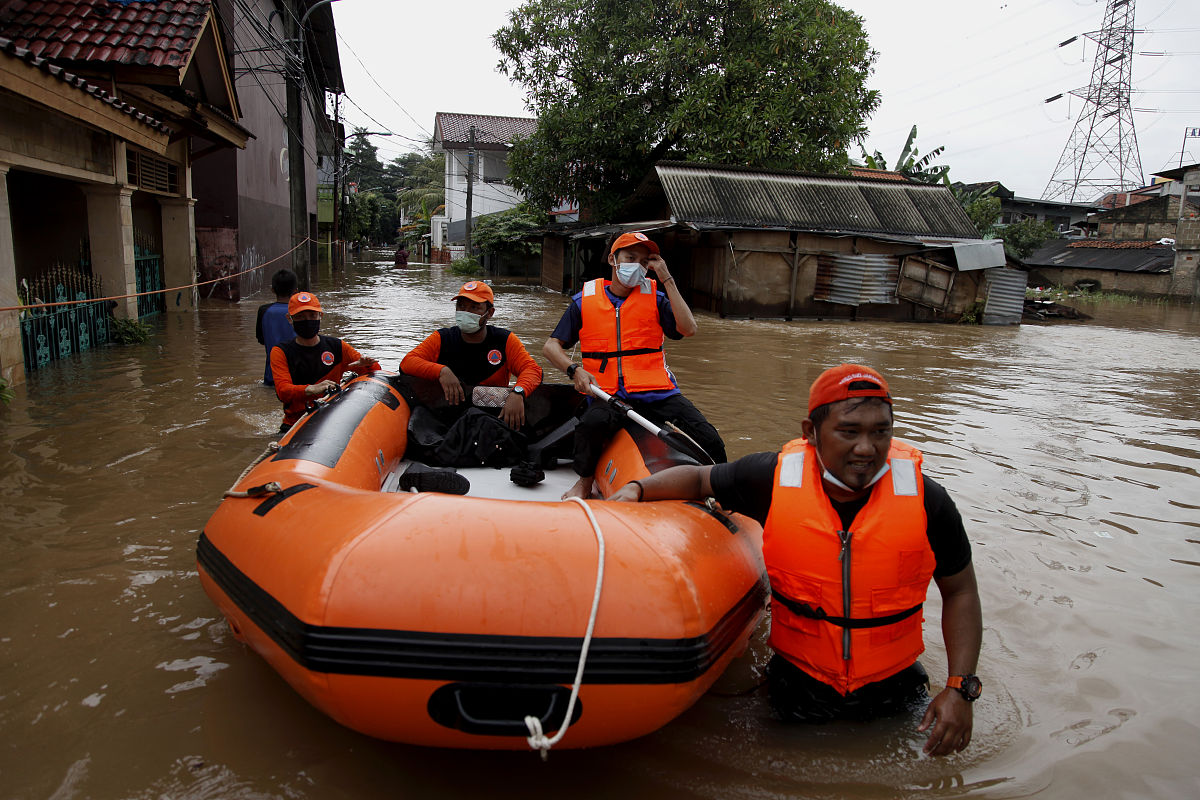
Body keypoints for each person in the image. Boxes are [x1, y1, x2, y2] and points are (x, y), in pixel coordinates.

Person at [610, 364, 983, 757]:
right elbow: (699, 479)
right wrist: (635, 489)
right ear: (810, 433)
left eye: (880, 432)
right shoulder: (770, 478)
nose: (867, 448)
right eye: (849, 431)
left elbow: (961, 592)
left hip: (894, 689)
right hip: (799, 685)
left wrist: (961, 688)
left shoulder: (928, 499)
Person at [543, 231, 726, 499]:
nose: (637, 265)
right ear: (612, 260)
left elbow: (689, 328)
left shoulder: (656, 298)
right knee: (590, 426)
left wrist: (666, 278)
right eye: (630, 257)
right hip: (609, 395)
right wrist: (575, 370)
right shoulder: (584, 302)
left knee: (709, 437)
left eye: (644, 261)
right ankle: (584, 482)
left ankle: (722, 488)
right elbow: (551, 347)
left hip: (658, 393)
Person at [400, 280, 542, 429]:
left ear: (490, 313)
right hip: (448, 419)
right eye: (461, 306)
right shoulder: (442, 338)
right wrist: (441, 371)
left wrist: (518, 392)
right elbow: (407, 363)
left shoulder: (504, 340)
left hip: (490, 421)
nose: (466, 312)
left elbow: (533, 370)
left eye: (474, 307)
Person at [270, 291, 379, 433]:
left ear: (320, 316)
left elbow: (375, 372)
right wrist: (311, 389)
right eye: (300, 317)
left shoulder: (337, 346)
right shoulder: (281, 351)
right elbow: (282, 391)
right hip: (295, 423)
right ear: (290, 319)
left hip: (331, 418)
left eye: (312, 316)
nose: (307, 321)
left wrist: (368, 365)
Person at [255, 268, 297, 385]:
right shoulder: (300, 311)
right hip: (297, 377)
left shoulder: (264, 311)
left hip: (272, 376)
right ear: (295, 291)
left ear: (272, 290)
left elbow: (261, 339)